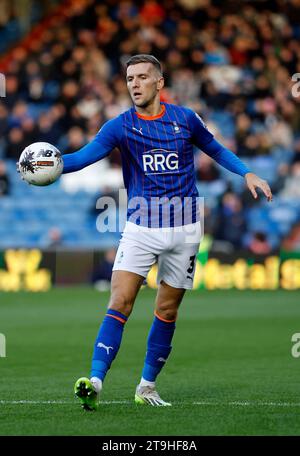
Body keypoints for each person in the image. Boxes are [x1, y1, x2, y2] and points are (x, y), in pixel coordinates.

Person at [61, 54, 272, 410]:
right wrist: (50, 166)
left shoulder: (185, 118)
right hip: (141, 228)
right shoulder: (120, 125)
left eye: (143, 77)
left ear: (160, 82)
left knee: (167, 311)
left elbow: (216, 149)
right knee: (120, 301)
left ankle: (146, 386)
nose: (135, 84)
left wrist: (247, 172)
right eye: (130, 78)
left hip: (186, 230)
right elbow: (83, 157)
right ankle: (95, 380)